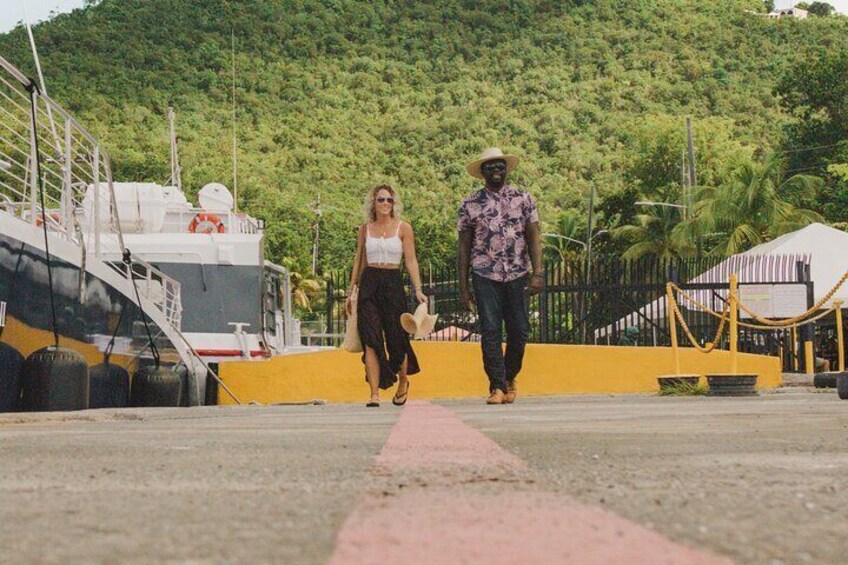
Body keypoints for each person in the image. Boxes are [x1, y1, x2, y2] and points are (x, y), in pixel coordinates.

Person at [457, 147, 543, 405]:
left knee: (520, 330)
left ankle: (509, 376)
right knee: (491, 331)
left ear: (506, 169)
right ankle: (496, 386)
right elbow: (463, 247)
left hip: (517, 272)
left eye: (500, 165)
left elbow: (534, 237)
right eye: (490, 166)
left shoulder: (523, 198)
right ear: (482, 172)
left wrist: (538, 272)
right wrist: (463, 287)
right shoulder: (469, 205)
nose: (496, 169)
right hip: (485, 274)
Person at [347, 184, 427, 407]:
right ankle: (374, 394)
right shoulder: (365, 229)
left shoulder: (403, 228)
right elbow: (359, 260)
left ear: (394, 203)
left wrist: (418, 289)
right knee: (370, 339)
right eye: (381, 199)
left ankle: (403, 381)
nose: (385, 204)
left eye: (389, 200)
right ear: (373, 202)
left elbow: (411, 260)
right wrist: (352, 289)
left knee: (396, 338)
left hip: (393, 282)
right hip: (370, 282)